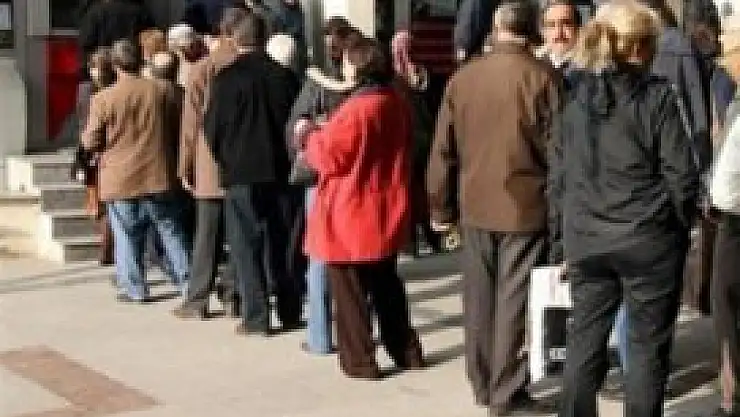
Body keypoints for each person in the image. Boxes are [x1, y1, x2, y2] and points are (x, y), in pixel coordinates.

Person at [549, 2, 702, 416]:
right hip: (646, 238)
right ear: (639, 47)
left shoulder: (575, 97)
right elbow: (682, 175)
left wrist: (562, 239)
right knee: (647, 348)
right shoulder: (655, 96)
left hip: (590, 236)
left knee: (584, 341)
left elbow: (560, 176)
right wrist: (677, 224)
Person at [427, 2, 559, 414]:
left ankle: (484, 382)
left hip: (476, 203)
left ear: (497, 27)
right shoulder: (543, 78)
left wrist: (440, 207)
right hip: (524, 205)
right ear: (532, 29)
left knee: (480, 299)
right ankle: (506, 390)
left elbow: (443, 150)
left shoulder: (464, 78)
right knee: (512, 301)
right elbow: (560, 154)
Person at [296, 37, 424, 379]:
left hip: (351, 210)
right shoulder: (395, 100)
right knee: (387, 287)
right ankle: (406, 351)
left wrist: (307, 134)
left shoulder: (358, 109)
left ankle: (360, 361)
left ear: (356, 67)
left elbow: (328, 157)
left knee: (350, 294)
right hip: (385, 204)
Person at [204, 13, 302, 335]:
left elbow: (212, 128)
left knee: (245, 245)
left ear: (235, 39)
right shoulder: (285, 77)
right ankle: (290, 309)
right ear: (266, 38)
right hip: (281, 171)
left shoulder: (226, 79)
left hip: (242, 172)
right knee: (283, 241)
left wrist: (226, 160)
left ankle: (257, 316)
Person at [81, 39, 191, 303]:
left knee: (127, 236)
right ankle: (189, 285)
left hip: (120, 177)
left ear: (115, 65)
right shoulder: (161, 91)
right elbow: (177, 126)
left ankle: (135, 288)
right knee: (171, 232)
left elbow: (91, 140)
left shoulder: (103, 99)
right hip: (158, 173)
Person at [284, 17, 360, 355]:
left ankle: (319, 335)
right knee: (357, 258)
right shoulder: (368, 88)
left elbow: (295, 128)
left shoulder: (317, 83)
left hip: (322, 176)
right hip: (358, 179)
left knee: (319, 256)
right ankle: (356, 332)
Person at [173, 7, 248, 320]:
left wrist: (184, 165)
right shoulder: (247, 65)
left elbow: (190, 125)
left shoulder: (204, 69)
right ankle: (233, 294)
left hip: (209, 164)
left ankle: (197, 299)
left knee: (207, 237)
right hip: (243, 162)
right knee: (240, 235)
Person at [391, 29, 442, 256]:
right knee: (411, 194)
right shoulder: (394, 80)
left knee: (424, 193)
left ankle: (430, 237)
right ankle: (411, 241)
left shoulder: (425, 76)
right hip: (410, 143)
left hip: (422, 141)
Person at [71, 48, 116, 267]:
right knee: (100, 200)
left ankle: (107, 248)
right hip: (98, 150)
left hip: (98, 150)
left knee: (101, 201)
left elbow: (84, 122)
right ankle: (108, 247)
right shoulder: (89, 90)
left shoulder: (90, 91)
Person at [79, 0, 154, 77]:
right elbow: (150, 39)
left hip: (104, 70)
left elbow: (86, 43)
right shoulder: (139, 12)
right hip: (131, 69)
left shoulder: (95, 12)